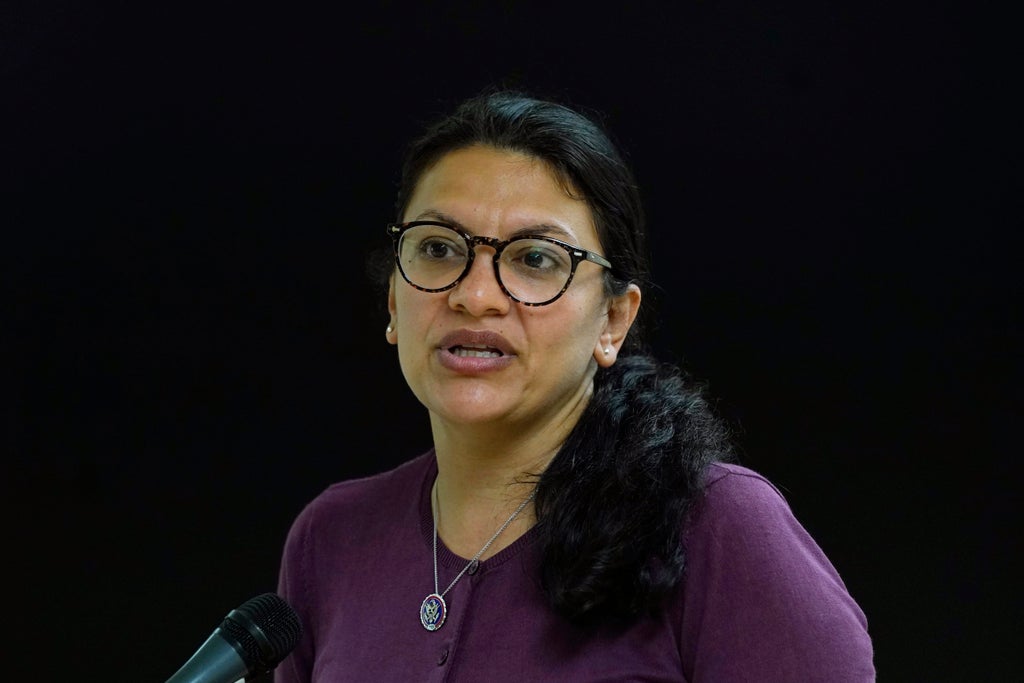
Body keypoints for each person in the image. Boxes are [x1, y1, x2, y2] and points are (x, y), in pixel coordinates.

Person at [273, 88, 875, 682]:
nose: (474, 296)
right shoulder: (331, 539)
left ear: (613, 320)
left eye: (535, 259)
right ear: (393, 301)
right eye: (438, 248)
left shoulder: (714, 526)